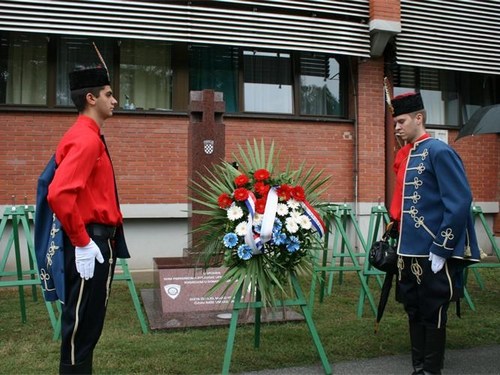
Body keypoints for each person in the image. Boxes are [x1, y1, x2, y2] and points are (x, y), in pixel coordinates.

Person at [388, 92, 481, 375]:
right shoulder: (409, 154)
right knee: (413, 310)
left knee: (433, 311)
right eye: (394, 123)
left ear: (419, 118)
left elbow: (459, 201)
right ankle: (418, 368)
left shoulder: (440, 152)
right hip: (408, 253)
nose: (396, 127)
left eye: (401, 121)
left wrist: (442, 247)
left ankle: (431, 370)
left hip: (432, 252)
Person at [47, 63, 130, 374]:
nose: (115, 100)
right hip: (90, 241)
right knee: (80, 328)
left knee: (88, 327)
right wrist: (82, 242)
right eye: (109, 94)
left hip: (99, 240)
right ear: (92, 99)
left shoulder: (91, 136)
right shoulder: (86, 139)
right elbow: (59, 194)